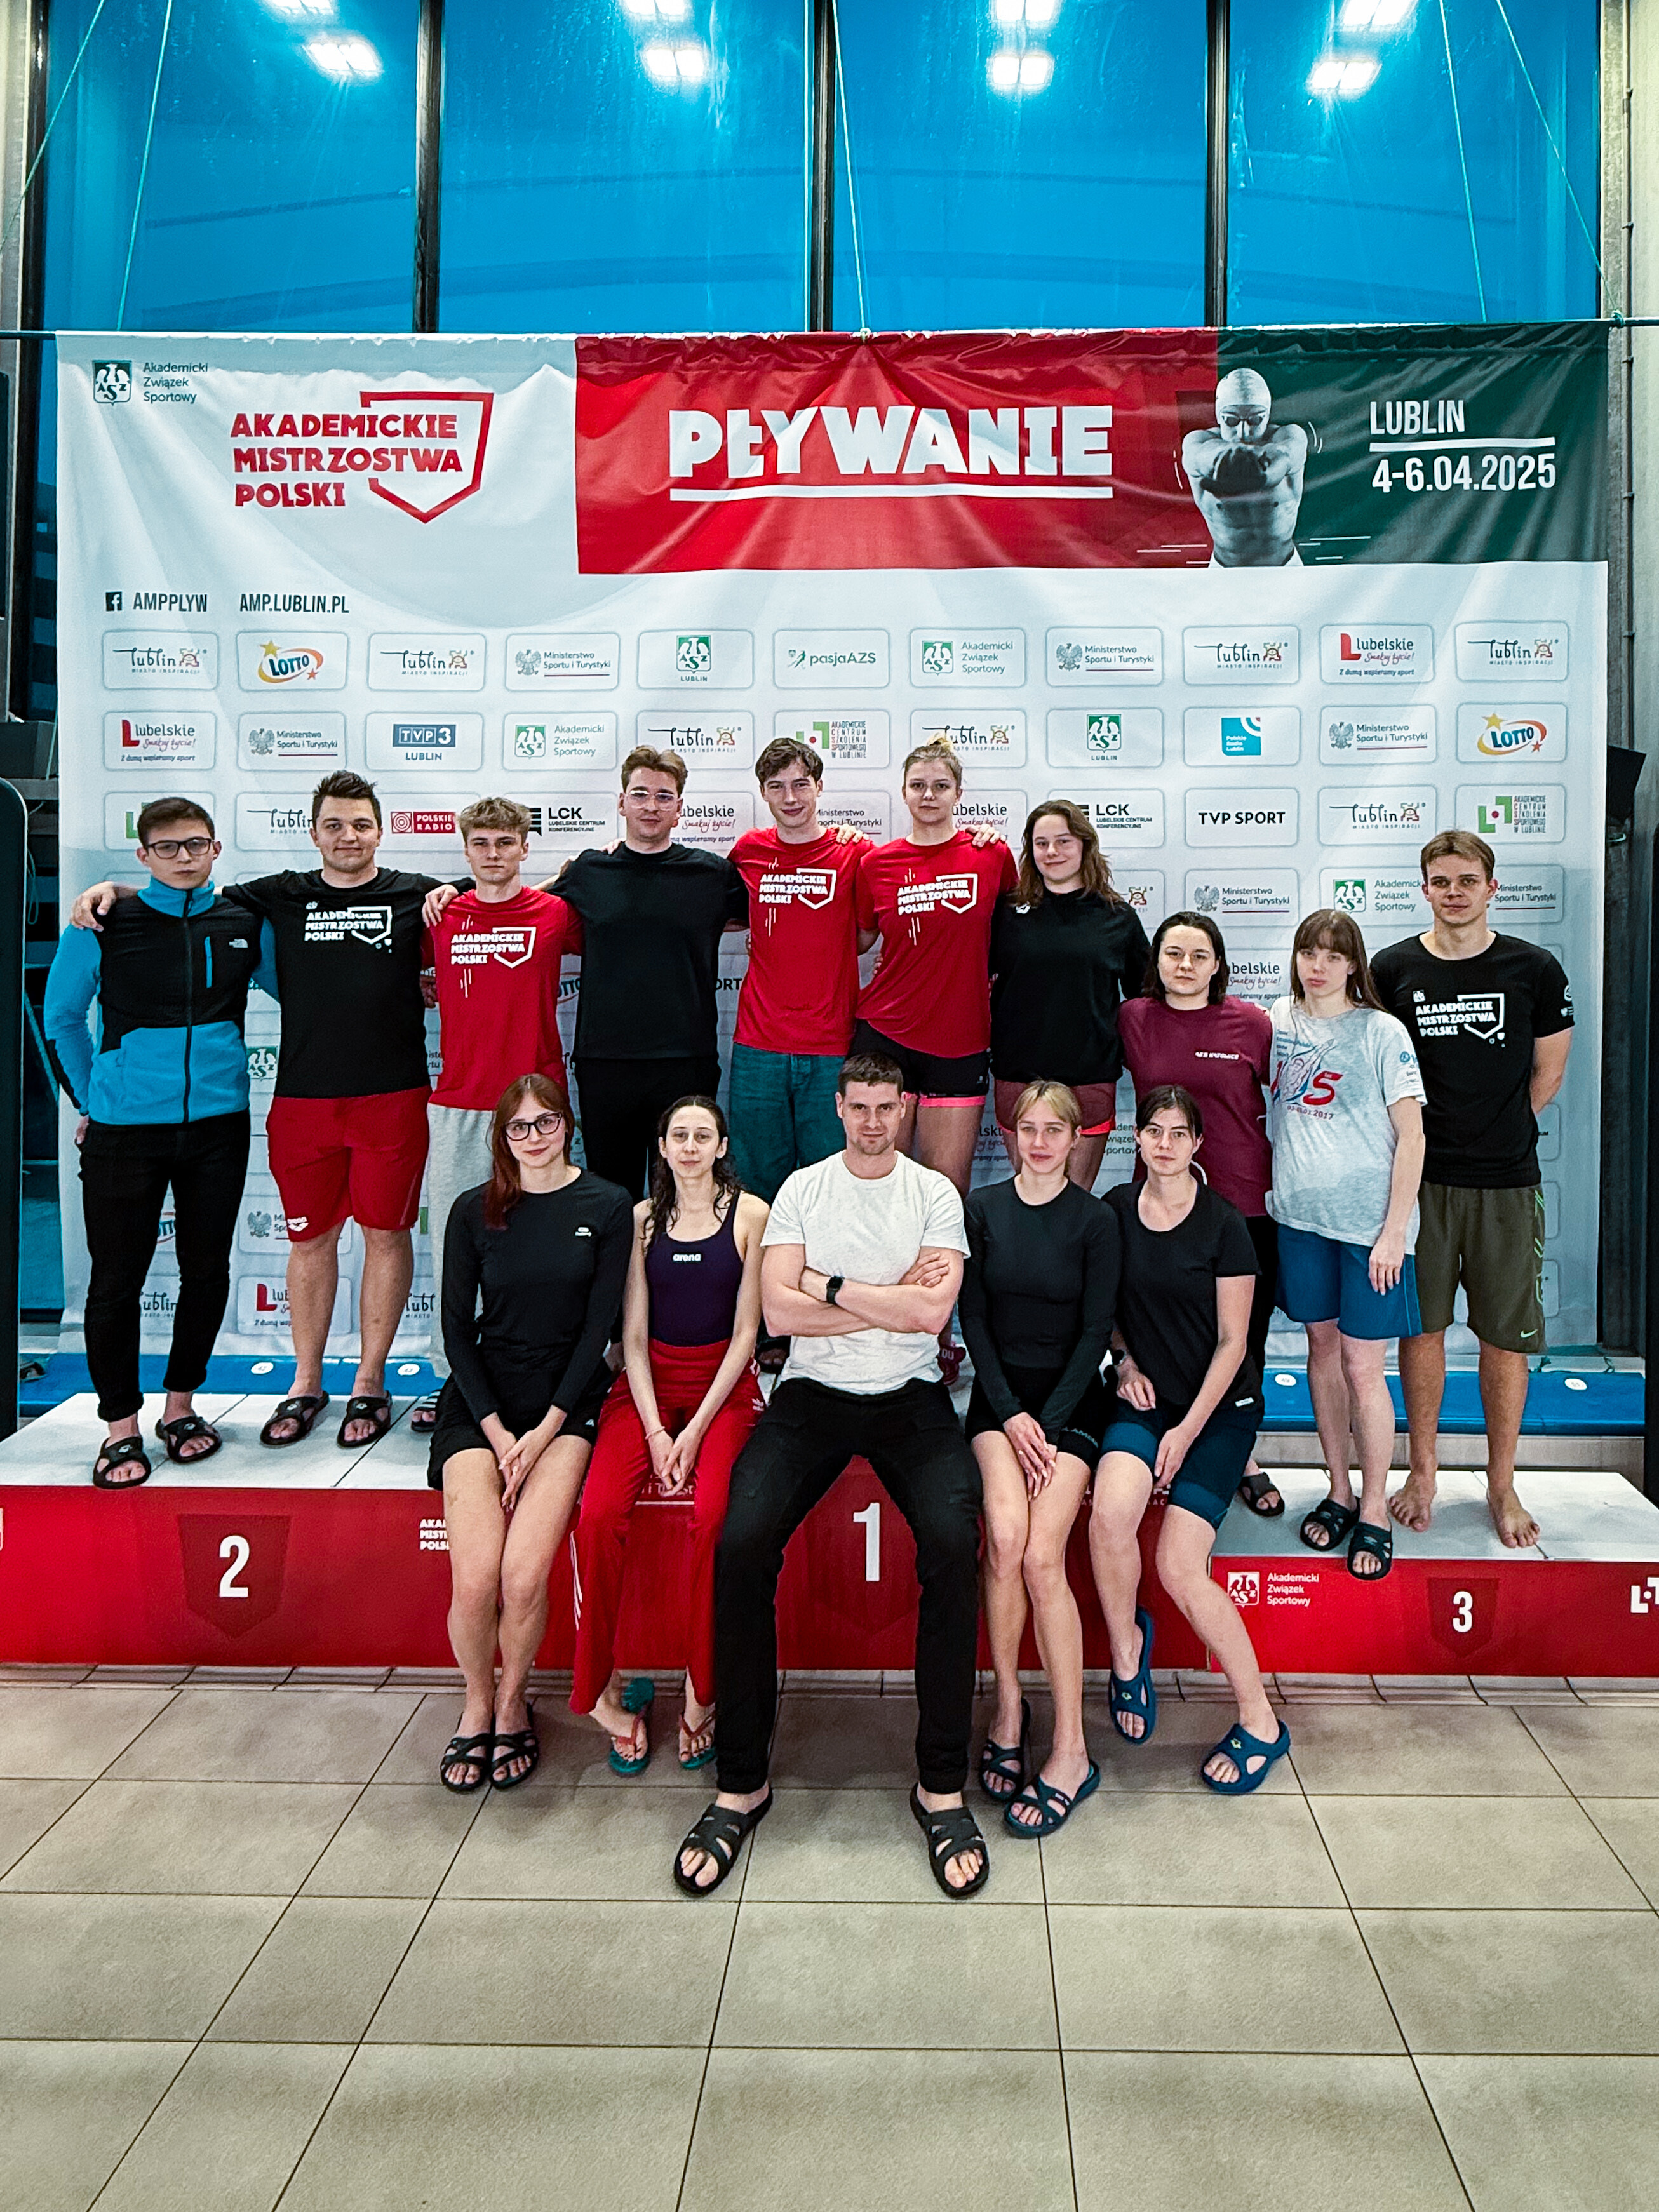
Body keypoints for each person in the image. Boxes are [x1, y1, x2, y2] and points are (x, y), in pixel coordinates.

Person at [671, 1052, 988, 1900]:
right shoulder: (803, 1190)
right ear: (839, 1108)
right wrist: (880, 1298)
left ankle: (941, 1786)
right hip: (811, 1394)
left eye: (887, 1107)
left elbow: (931, 1314)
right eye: (860, 1107)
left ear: (905, 1108)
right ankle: (741, 1784)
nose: (873, 1122)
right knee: (741, 1544)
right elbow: (780, 1313)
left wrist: (831, 1284)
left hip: (911, 1396)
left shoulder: (933, 1193)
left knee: (953, 1544)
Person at [72, 771, 449, 1451]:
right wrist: (113, 891)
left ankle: (370, 1381)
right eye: (333, 825)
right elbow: (183, 897)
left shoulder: (419, 893)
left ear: (381, 831)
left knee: (387, 1237)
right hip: (301, 1102)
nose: (348, 836)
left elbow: (497, 900)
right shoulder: (271, 895)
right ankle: (306, 1382)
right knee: (310, 1241)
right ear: (314, 834)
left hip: (391, 1097)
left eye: (360, 824)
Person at [44, 798, 271, 1486]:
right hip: (124, 1131)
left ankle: (181, 1408)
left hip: (218, 1126)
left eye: (195, 844)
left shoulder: (242, 920)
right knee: (116, 1281)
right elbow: (61, 1019)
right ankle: (120, 1427)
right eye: (167, 847)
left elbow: (312, 988)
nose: (183, 857)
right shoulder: (102, 920)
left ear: (216, 848)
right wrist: (94, 1101)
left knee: (206, 1271)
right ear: (143, 855)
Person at [430, 1073, 633, 1793]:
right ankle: (476, 1703)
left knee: (522, 1576)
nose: (535, 1137)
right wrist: (494, 1430)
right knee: (476, 1578)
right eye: (519, 1127)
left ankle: (514, 1702)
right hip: (481, 1403)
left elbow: (599, 1329)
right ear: (502, 1138)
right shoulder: (473, 1209)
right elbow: (456, 1331)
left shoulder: (607, 1205)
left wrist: (544, 1430)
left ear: (567, 1126)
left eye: (546, 1122)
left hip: (566, 1403)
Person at [1373, 831, 1574, 1549]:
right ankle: (1422, 1472)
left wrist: (1496, 1132)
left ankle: (1501, 1482)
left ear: (1491, 888)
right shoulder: (1391, 968)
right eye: (1440, 881)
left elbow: (1548, 1073)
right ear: (1422, 888)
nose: (1453, 892)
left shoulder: (1534, 968)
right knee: (1420, 1331)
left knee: (1504, 1341)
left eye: (1466, 880)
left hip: (1505, 1184)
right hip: (1420, 1184)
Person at [1089, 1086, 1290, 1792]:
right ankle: (1126, 1651)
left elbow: (1234, 1343)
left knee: (1178, 1564)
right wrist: (1125, 1364)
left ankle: (1261, 1721)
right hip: (1147, 1397)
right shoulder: (1115, 1210)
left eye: (1179, 1133)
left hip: (1218, 1409)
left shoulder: (1224, 1224)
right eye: (1154, 1131)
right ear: (1138, 1138)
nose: (1165, 1144)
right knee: (1110, 1513)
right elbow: (1106, 1313)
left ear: (1198, 1144)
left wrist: (1185, 1433)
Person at [570, 1096, 769, 1773]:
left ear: (721, 1146)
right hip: (648, 1383)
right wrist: (658, 1431)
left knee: (712, 1519)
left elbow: (746, 1336)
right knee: (597, 1516)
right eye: (678, 1135)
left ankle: (699, 1691)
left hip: (724, 1388)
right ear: (661, 1147)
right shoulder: (641, 1220)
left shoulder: (751, 1214)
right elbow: (631, 1336)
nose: (689, 1146)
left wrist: (696, 1429)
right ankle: (597, 1688)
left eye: (701, 1135)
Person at [963, 1083, 1119, 1837]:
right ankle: (1007, 1707)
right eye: (1027, 1128)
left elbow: (1094, 1332)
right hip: (999, 1405)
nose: (1038, 1142)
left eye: (1053, 1130)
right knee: (1003, 1537)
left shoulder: (1095, 1221)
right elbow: (973, 1321)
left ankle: (1070, 1750)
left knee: (1039, 1556)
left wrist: (1048, 1425)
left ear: (1073, 1137)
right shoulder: (982, 1209)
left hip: (1070, 1407)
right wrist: (1013, 1415)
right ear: (1011, 1133)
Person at [1268, 909, 1427, 1583]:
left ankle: (1374, 1507)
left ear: (1353, 964)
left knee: (1365, 1368)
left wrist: (1393, 1231)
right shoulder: (1277, 1021)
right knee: (1322, 1353)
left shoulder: (1380, 1031)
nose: (1319, 965)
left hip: (1368, 1232)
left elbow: (1413, 1136)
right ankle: (1337, 1489)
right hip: (1300, 1222)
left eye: (1334, 955)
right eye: (1310, 951)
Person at [417, 797, 583, 1433]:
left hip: (537, 1105)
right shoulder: (440, 914)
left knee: (541, 1251)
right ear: (465, 850)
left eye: (504, 842)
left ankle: (544, 1375)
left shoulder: (556, 913)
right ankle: (453, 1379)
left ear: (524, 848)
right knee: (454, 1252)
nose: (493, 854)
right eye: (481, 843)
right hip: (460, 1103)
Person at [852, 739, 1016, 1376]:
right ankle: (876, 1324)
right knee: (876, 1186)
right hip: (883, 1036)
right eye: (917, 785)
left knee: (944, 1196)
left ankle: (936, 1331)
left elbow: (1020, 923)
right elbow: (861, 938)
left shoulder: (990, 855)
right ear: (903, 792)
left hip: (959, 1041)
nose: (928, 795)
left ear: (958, 793)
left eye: (939, 785)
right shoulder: (876, 863)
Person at [1118, 911, 1281, 1517]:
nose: (1184, 965)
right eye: (1173, 953)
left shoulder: (1252, 1023)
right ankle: (1169, 1434)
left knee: (1244, 1336)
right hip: (1159, 1204)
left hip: (1244, 1201)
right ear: (1156, 961)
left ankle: (1241, 1454)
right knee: (1165, 1330)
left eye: (1198, 955)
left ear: (1218, 965)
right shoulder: (1133, 1019)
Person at [725, 736, 872, 1203]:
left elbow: (866, 935)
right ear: (763, 793)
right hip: (758, 1047)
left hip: (831, 1046)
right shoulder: (748, 850)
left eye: (800, 784)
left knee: (828, 1187)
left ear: (819, 787)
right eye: (777, 786)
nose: (790, 798)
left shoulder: (855, 853)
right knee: (756, 1188)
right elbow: (709, 907)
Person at [988, 800, 1150, 1193]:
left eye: (1063, 841)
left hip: (1089, 1077)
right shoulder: (1004, 913)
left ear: (1084, 845)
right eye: (1041, 843)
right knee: (1030, 1196)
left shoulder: (1118, 917)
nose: (1052, 852)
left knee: (1075, 1203)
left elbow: (1144, 1001)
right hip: (1018, 1074)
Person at [1181, 367, 1308, 568]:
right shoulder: (1198, 442)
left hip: (1285, 567)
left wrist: (1263, 473)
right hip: (1224, 570)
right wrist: (1223, 461)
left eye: (1255, 420)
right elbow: (1203, 456)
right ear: (1219, 417)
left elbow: (1284, 456)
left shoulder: (1289, 436)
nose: (1243, 431)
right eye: (1231, 420)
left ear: (1267, 417)